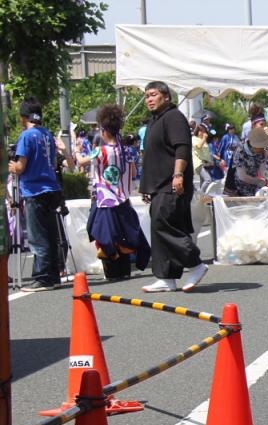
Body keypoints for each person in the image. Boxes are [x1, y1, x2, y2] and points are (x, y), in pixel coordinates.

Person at [139, 81, 207, 293]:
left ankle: (195, 264)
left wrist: (178, 174)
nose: (149, 99)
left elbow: (182, 148)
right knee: (158, 228)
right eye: (147, 96)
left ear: (166, 96)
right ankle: (166, 277)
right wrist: (147, 187)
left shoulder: (173, 117)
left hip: (172, 183)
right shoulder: (154, 121)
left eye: (153, 94)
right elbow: (153, 156)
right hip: (158, 184)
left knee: (165, 225)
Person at [79, 104, 151, 281]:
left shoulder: (100, 151)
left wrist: (73, 150)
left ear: (103, 131)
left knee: (104, 236)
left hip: (105, 201)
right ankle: (124, 270)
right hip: (123, 200)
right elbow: (133, 174)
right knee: (124, 236)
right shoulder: (127, 151)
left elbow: (81, 162)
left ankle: (113, 271)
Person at [9, 98, 64, 292]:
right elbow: (54, 161)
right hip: (52, 188)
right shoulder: (47, 134)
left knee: (37, 236)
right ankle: (54, 275)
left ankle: (42, 278)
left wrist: (13, 166)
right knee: (50, 234)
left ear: (24, 117)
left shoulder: (26, 136)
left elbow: (21, 167)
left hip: (34, 190)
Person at [226, 125, 268, 197]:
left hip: (253, 186)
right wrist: (259, 181)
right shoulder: (240, 151)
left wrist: (267, 175)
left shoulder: (263, 151)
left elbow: (262, 169)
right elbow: (242, 176)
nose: (263, 148)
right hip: (237, 188)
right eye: (261, 146)